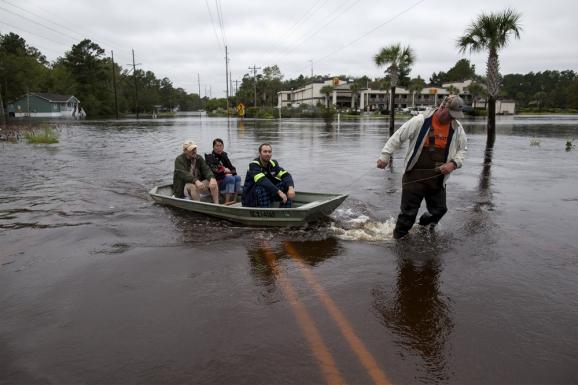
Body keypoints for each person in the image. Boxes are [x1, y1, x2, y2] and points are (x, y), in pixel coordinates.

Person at [376, 95, 468, 239]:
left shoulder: (457, 127)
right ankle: (398, 243)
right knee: (408, 215)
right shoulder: (420, 120)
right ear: (442, 107)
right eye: (450, 114)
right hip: (414, 176)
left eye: (455, 116)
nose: (452, 118)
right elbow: (398, 137)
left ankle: (422, 228)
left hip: (438, 177)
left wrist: (454, 163)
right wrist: (385, 156)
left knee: (439, 210)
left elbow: (463, 149)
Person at [241, 143, 295, 208]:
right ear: (259, 153)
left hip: (266, 193)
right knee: (262, 187)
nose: (267, 154)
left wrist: (290, 188)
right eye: (265, 151)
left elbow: (286, 175)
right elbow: (262, 180)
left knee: (285, 184)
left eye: (269, 152)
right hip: (251, 198)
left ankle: (284, 211)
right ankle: (265, 213)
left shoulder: (273, 164)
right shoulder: (253, 165)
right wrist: (279, 192)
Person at [173, 139, 220, 204]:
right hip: (183, 187)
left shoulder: (199, 158)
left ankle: (216, 205)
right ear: (185, 151)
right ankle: (199, 206)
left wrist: (211, 178)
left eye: (195, 148)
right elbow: (185, 174)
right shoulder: (179, 160)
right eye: (191, 149)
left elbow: (206, 169)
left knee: (213, 182)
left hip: (197, 183)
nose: (194, 151)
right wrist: (196, 180)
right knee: (193, 187)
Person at [205, 138, 242, 205]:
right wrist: (225, 172)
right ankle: (227, 202)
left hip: (223, 179)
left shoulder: (224, 155)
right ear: (213, 147)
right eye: (217, 146)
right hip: (215, 182)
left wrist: (230, 172)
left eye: (221, 146)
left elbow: (233, 168)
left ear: (223, 147)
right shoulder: (209, 157)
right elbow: (215, 172)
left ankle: (234, 200)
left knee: (238, 177)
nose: (219, 148)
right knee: (230, 178)